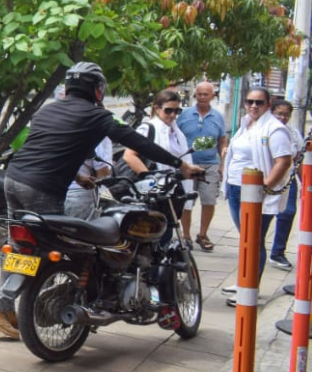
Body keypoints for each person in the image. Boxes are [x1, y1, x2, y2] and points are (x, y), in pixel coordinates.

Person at [0, 62, 204, 338]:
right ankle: (2, 305)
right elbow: (138, 142)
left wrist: (78, 177)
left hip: (13, 180)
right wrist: (180, 165)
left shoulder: (47, 110)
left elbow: (54, 149)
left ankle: (8, 308)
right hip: (42, 188)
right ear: (97, 91)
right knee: (44, 252)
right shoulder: (96, 116)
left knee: (18, 247)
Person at [221, 87, 295, 307]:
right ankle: (244, 281)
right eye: (250, 102)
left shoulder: (275, 129)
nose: (253, 106)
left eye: (259, 102)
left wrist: (265, 186)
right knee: (247, 239)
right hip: (236, 187)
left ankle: (250, 288)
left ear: (268, 104)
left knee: (253, 240)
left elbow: (284, 160)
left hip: (255, 193)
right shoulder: (246, 124)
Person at [123, 89, 194, 240]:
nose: (173, 115)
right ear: (157, 108)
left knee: (166, 235)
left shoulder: (176, 133)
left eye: (177, 111)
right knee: (155, 236)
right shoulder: (148, 128)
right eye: (168, 110)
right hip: (152, 195)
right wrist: (152, 182)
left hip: (170, 194)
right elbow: (129, 155)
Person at [175, 81, 228, 251]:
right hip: (188, 164)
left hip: (210, 164)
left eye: (206, 94)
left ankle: (203, 234)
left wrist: (222, 164)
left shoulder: (218, 117)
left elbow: (222, 141)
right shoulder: (184, 115)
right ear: (195, 95)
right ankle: (186, 235)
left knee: (209, 200)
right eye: (200, 94)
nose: (203, 97)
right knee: (187, 201)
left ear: (213, 96)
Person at [266, 99, 301, 271]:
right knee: (264, 216)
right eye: (279, 113)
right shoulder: (264, 130)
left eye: (286, 114)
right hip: (266, 177)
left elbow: (299, 159)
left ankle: (278, 251)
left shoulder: (293, 133)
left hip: (288, 178)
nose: (282, 117)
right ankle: (256, 250)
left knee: (288, 212)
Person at [65, 138, 112, 221]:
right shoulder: (94, 136)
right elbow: (103, 172)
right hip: (79, 196)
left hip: (44, 191)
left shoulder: (49, 133)